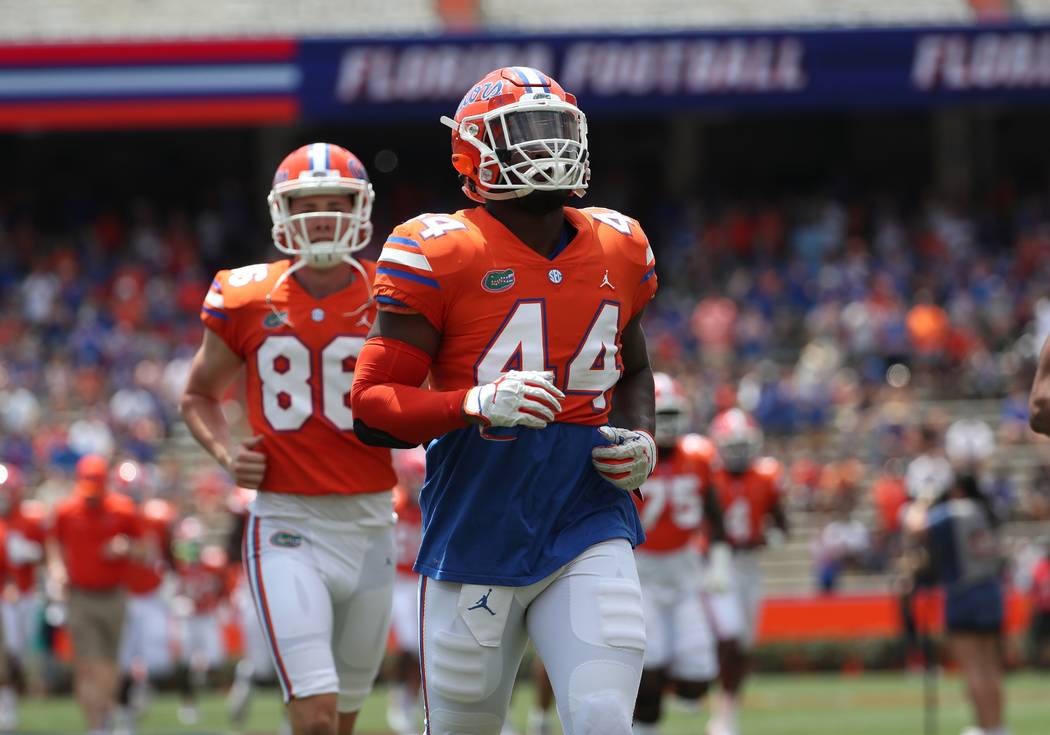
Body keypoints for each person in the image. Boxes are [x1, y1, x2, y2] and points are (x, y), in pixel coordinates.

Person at [351, 66, 658, 735]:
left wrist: (642, 437)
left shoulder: (621, 244)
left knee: (605, 718)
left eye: (556, 130)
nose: (547, 148)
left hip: (588, 518)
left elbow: (633, 368)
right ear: (474, 152)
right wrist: (471, 403)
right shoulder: (437, 249)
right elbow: (372, 406)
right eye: (525, 133)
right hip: (477, 529)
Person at [180, 142, 398, 735]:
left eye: (337, 202)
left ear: (361, 208)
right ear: (282, 211)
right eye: (308, 203)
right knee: (316, 717)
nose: (323, 215)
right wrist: (228, 454)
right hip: (287, 523)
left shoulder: (397, 291)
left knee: (345, 718)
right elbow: (198, 393)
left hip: (375, 520)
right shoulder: (246, 295)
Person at [631, 373, 728, 735]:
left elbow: (715, 517)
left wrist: (718, 564)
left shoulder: (700, 455)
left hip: (685, 571)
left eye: (672, 413)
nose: (668, 423)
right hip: (643, 569)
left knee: (699, 677)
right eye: (661, 413)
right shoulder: (631, 450)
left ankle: (655, 690)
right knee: (649, 664)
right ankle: (644, 723)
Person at [704, 408, 788, 735]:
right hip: (717, 564)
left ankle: (729, 708)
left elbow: (781, 524)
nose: (738, 454)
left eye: (743, 446)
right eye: (732, 446)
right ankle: (720, 714)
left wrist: (770, 537)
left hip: (750, 567)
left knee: (745, 645)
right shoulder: (709, 476)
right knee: (729, 634)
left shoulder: (766, 476)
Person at [904, 472, 1007, 735]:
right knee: (990, 666)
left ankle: (986, 727)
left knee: (972, 667)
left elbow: (915, 525)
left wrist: (923, 500)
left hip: (965, 593)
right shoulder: (985, 511)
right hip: (991, 590)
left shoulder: (956, 510)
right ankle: (997, 726)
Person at [47, 454, 141, 735]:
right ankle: (96, 726)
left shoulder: (123, 510)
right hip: (80, 596)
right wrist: (56, 570)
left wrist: (125, 547)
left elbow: (145, 549)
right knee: (87, 663)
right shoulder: (66, 511)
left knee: (108, 664)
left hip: (113, 595)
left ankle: (108, 714)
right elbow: (54, 544)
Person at [112, 460, 176, 733]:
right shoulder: (110, 515)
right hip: (121, 594)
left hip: (151, 594)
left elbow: (169, 553)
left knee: (155, 657)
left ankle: (141, 688)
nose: (132, 497)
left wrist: (175, 578)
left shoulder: (157, 516)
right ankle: (125, 713)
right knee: (123, 659)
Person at [0, 463, 46, 728]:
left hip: (28, 594)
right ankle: (6, 703)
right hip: (3, 596)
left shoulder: (31, 518)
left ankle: (18, 690)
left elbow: (48, 551)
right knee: (5, 651)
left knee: (20, 649)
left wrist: (32, 552)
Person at [171, 516, 229, 726]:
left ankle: (204, 678)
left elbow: (222, 587)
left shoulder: (212, 564)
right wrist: (176, 602)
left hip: (207, 617)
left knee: (215, 660)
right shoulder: (177, 567)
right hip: (187, 619)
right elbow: (168, 590)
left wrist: (223, 604)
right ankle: (188, 703)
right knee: (185, 661)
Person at [386, 448, 425, 735]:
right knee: (411, 644)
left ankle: (409, 702)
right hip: (397, 582)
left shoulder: (429, 505)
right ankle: (399, 699)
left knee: (422, 648)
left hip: (419, 580)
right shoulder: (394, 505)